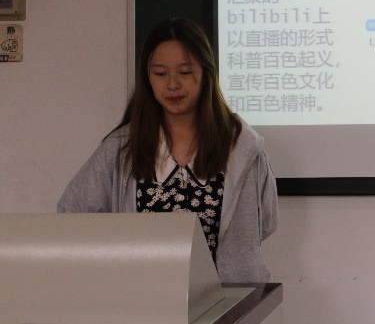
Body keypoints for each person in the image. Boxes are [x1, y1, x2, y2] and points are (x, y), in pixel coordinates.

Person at [57, 18, 278, 283]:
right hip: (143, 297)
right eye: (160, 74)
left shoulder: (242, 146)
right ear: (147, 78)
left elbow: (265, 222)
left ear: (206, 74)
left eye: (184, 72)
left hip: (228, 298)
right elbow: (72, 213)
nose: (172, 84)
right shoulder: (121, 148)